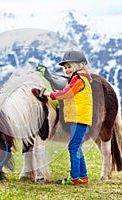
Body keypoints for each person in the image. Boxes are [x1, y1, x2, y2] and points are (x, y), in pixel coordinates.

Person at [42, 50, 93, 185]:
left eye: (69, 66)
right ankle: (83, 176)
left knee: (73, 147)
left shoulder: (78, 79)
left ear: (80, 65)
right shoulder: (80, 79)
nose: (67, 70)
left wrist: (48, 94)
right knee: (77, 147)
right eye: (65, 68)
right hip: (79, 118)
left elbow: (66, 93)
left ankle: (74, 178)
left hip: (79, 118)